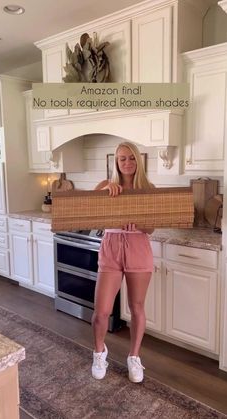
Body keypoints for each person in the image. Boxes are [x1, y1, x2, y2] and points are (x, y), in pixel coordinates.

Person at [91, 141, 155, 383]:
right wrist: (106, 192)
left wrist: (138, 224)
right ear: (116, 163)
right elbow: (91, 212)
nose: (127, 163)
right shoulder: (105, 185)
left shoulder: (148, 189)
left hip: (138, 246)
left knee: (137, 308)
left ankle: (134, 357)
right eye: (121, 159)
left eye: (131, 158)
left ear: (138, 160)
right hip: (111, 247)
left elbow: (151, 228)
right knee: (101, 312)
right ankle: (99, 352)